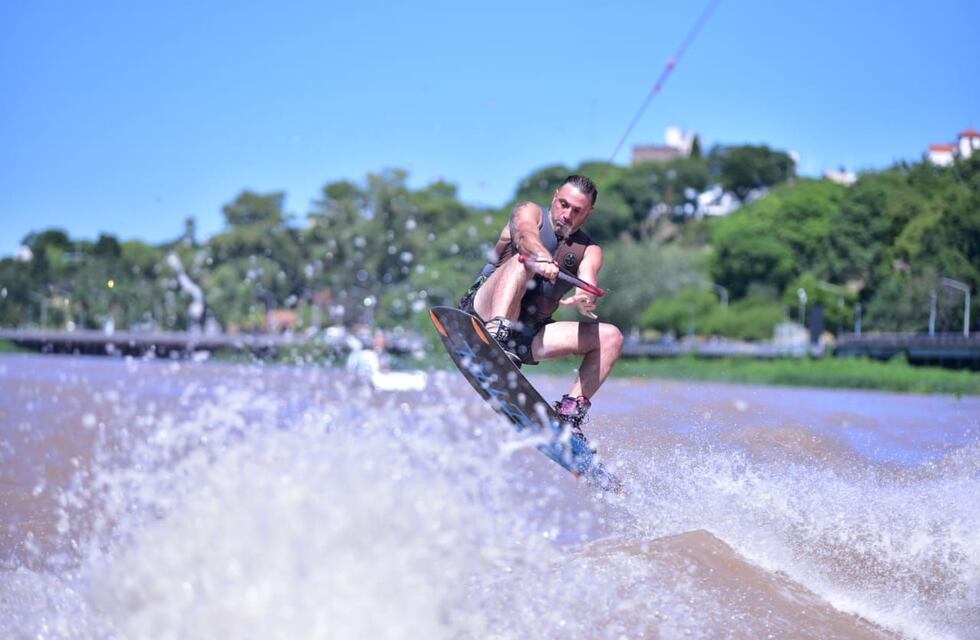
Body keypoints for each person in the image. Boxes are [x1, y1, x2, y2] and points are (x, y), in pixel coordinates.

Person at [458, 174, 623, 440]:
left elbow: (588, 278)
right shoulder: (530, 212)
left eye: (577, 210)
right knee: (524, 260)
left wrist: (584, 296)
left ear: (588, 213)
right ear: (555, 197)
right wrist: (542, 258)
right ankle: (495, 335)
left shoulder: (590, 250)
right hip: (483, 313)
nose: (567, 214)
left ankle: (570, 412)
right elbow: (525, 237)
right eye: (563, 204)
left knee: (611, 336)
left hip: (527, 337)